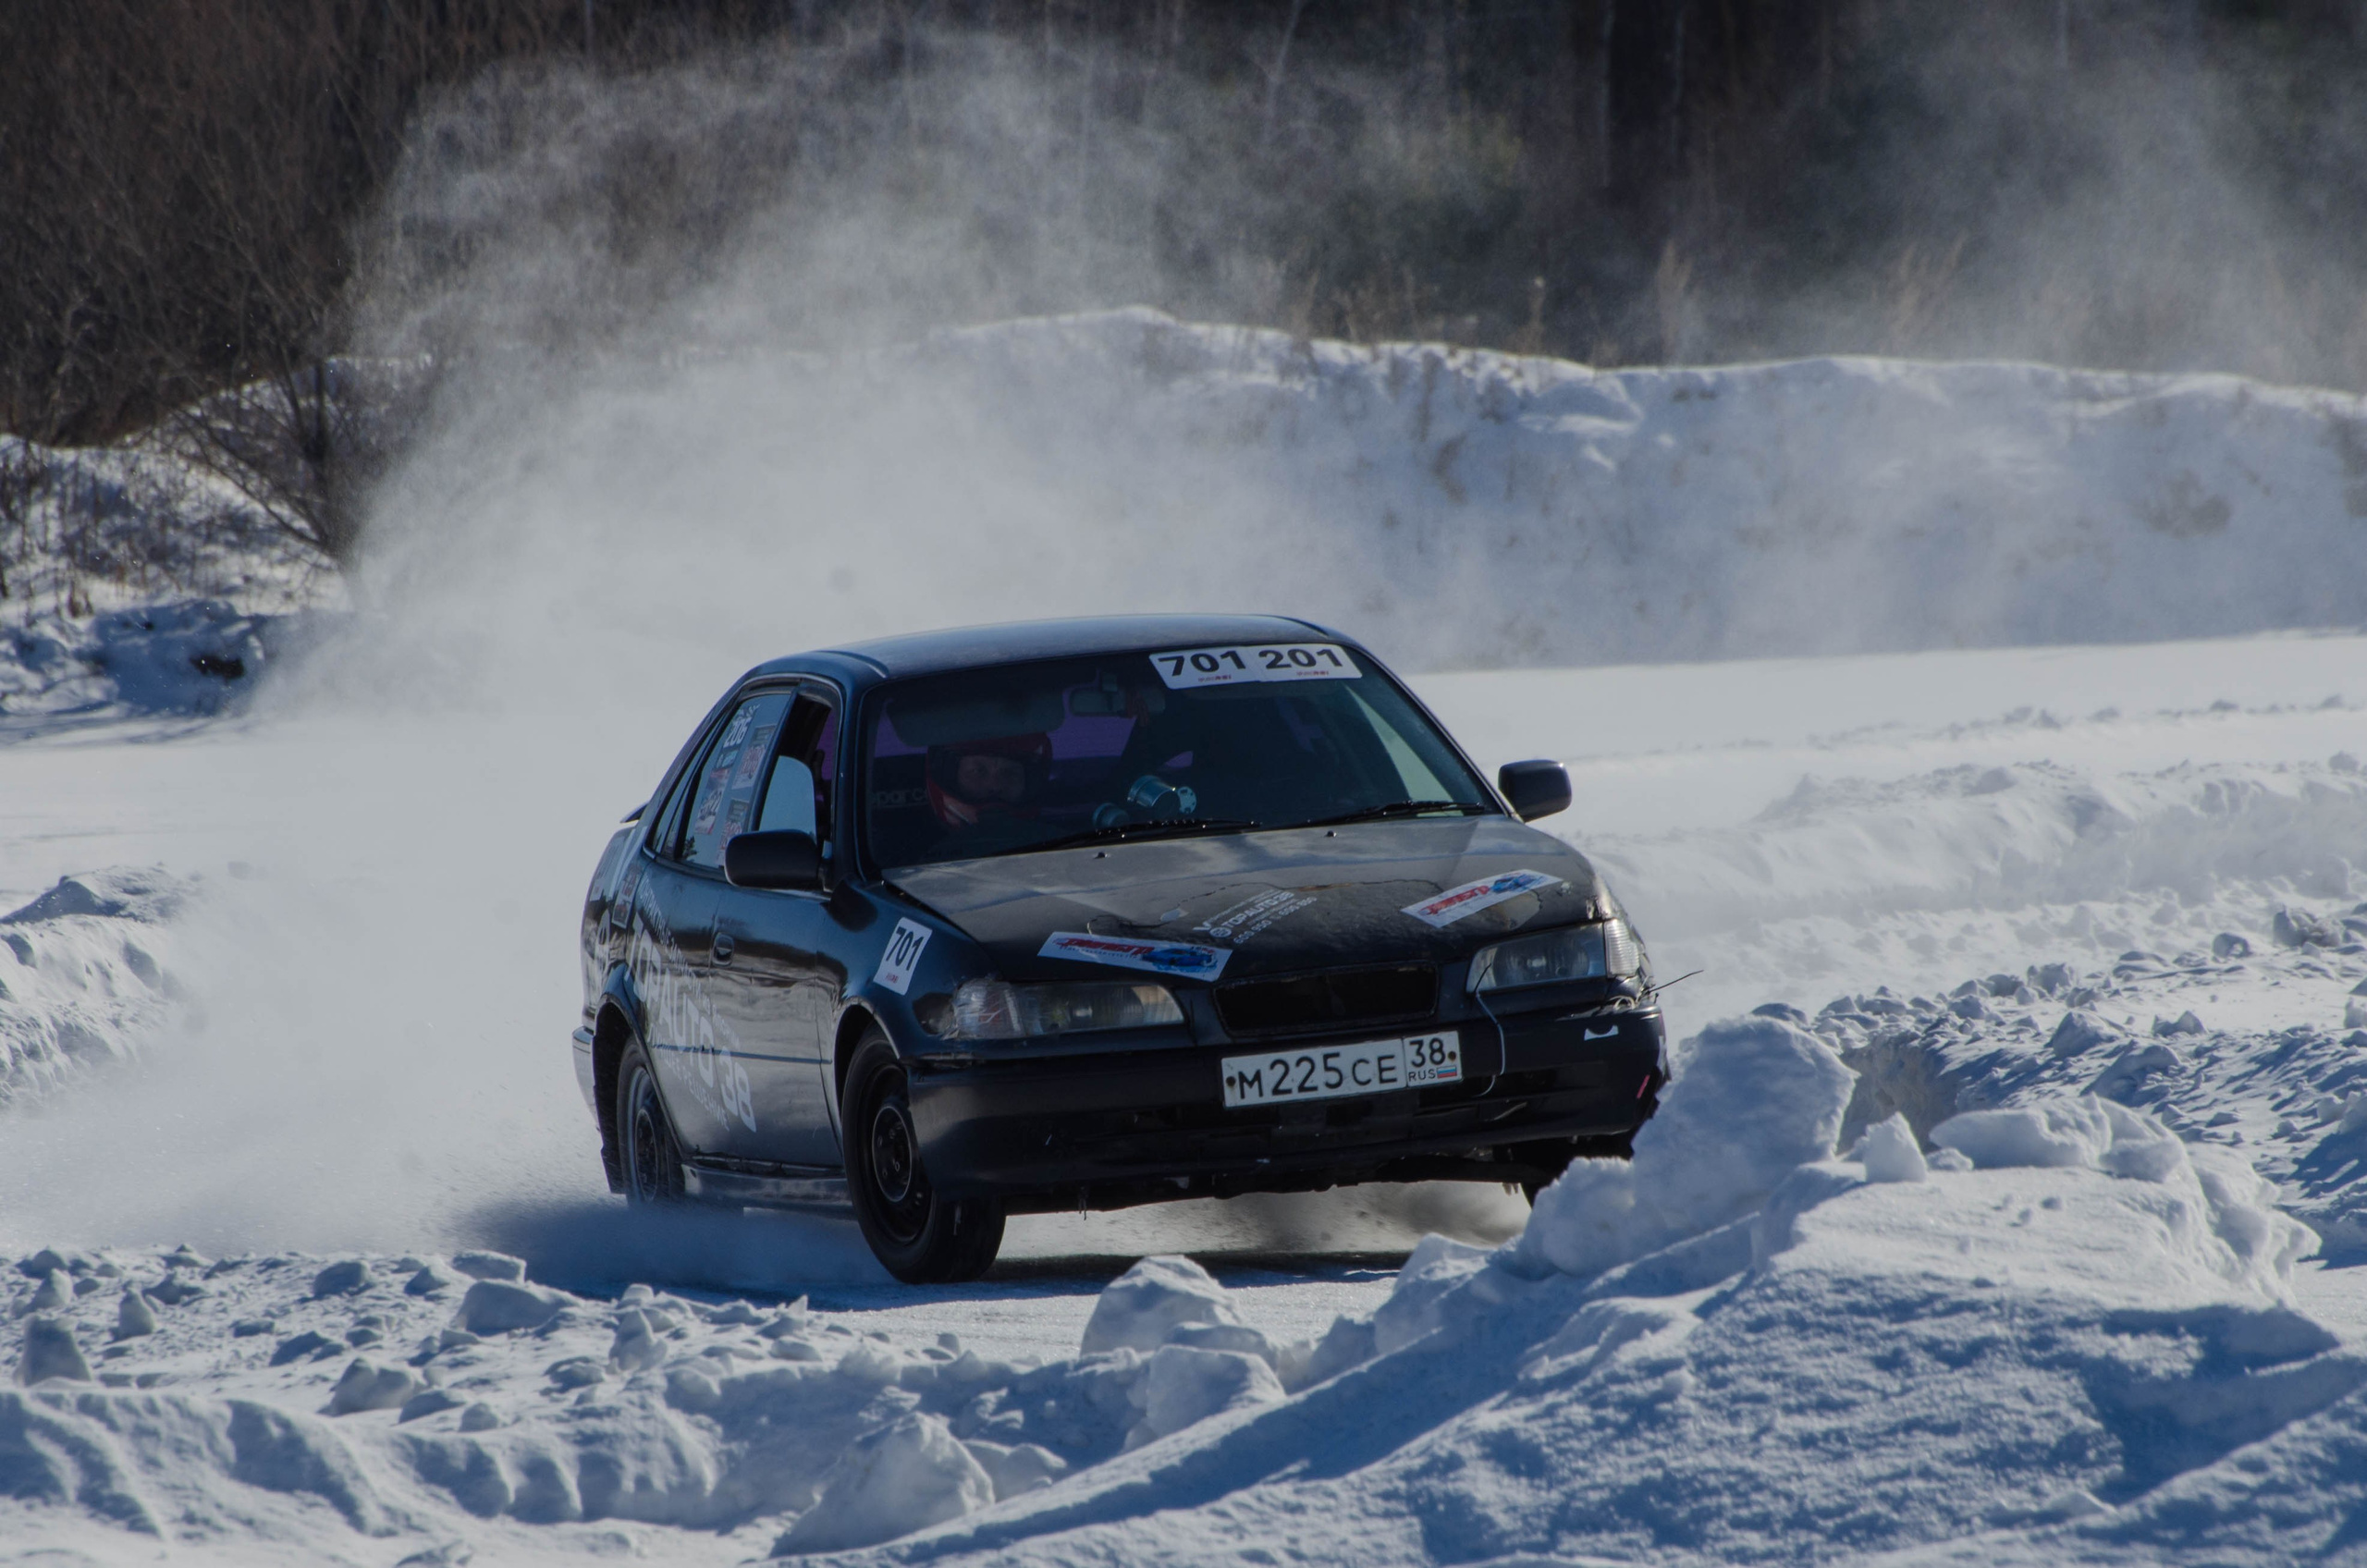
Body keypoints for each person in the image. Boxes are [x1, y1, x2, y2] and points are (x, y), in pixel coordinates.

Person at [925, 733, 1051, 847]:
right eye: (977, 771)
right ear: (950, 777)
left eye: (1010, 773)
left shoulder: (1063, 844)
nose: (994, 786)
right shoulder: (911, 859)